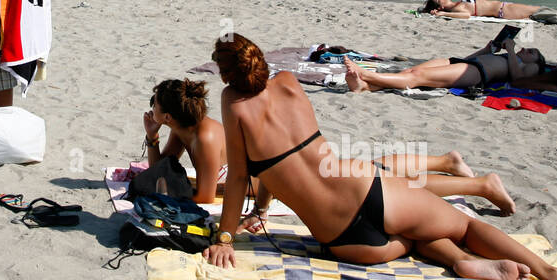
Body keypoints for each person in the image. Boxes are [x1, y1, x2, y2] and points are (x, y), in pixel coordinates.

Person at [203, 35, 557, 280]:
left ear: (225, 76)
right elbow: (284, 154)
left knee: (415, 238)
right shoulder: (289, 83)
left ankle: (466, 264)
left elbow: (242, 175)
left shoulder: (233, 105)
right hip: (367, 191)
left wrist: (227, 237)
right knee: (463, 224)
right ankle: (550, 273)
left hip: (350, 245)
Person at [145, 78, 516, 213]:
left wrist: (185, 189)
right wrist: (152, 138)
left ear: (169, 114)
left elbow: (206, 199)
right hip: (296, 169)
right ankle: (445, 161)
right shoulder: (182, 129)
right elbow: (160, 168)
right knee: (373, 170)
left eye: (155, 105)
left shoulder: (206, 137)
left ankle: (480, 184)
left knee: (385, 186)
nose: (152, 108)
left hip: (297, 176)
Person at [341, 34, 546, 92]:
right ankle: (365, 86)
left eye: (532, 52)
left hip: (476, 73)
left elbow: (518, 79)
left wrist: (511, 50)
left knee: (417, 78)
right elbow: (471, 58)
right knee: (411, 71)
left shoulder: (531, 67)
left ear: (537, 61)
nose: (527, 49)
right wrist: (487, 49)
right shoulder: (512, 57)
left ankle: (366, 76)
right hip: (465, 63)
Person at [422, 0, 557, 27]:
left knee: (542, 9)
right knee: (540, 12)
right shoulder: (457, 8)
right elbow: (466, 16)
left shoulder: (458, 2)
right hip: (503, 12)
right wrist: (443, 14)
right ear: (439, 6)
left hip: (505, 6)